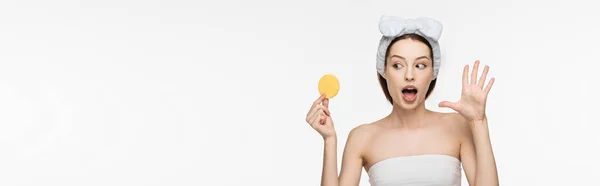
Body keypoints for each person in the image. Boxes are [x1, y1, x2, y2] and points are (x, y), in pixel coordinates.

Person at [304, 16, 499, 186]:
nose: (409, 75)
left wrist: (478, 123)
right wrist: (329, 140)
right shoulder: (362, 137)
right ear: (384, 70)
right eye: (398, 65)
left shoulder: (458, 125)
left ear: (433, 72)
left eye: (420, 65)